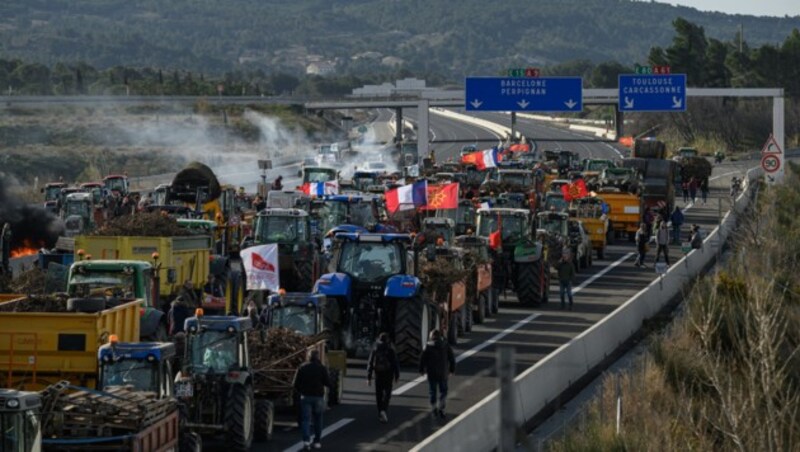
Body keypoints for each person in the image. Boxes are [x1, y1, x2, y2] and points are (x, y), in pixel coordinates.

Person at [293, 349, 332, 450]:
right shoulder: (322, 368)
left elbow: (295, 384)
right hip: (318, 397)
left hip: (305, 396)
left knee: (305, 420)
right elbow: (328, 383)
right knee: (318, 420)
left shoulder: (302, 367)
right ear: (318, 357)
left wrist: (301, 391)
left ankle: (306, 441)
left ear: (308, 357)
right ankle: (317, 441)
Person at [419, 329, 455, 420]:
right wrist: (452, 370)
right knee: (443, 391)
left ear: (431, 336)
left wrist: (421, 370)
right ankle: (442, 408)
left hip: (432, 373)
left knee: (432, 391)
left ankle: (434, 407)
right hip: (443, 373)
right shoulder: (445, 345)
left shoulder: (427, 346)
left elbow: (422, 359)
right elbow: (452, 358)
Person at [367, 332, 401, 423]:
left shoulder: (375, 348)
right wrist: (397, 375)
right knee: (387, 394)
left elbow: (370, 363)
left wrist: (369, 377)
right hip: (388, 374)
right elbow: (395, 363)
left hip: (378, 374)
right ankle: (384, 410)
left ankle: (380, 412)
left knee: (379, 394)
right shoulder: (390, 349)